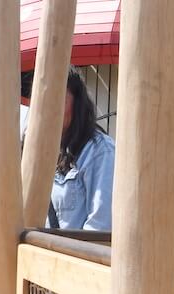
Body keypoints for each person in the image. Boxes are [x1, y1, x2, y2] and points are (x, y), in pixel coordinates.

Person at [49, 68, 116, 231]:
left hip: (79, 255)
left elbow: (100, 227)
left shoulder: (100, 151)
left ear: (77, 102)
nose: (50, 109)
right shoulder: (51, 154)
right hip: (51, 253)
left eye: (58, 98)